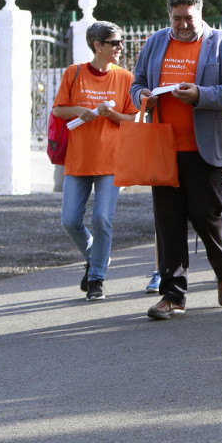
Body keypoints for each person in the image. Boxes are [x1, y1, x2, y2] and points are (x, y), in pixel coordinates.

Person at [131, 0, 222, 320]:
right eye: (177, 18)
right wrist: (142, 96)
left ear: (200, 13)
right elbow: (137, 81)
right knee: (167, 222)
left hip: (205, 147)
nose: (182, 24)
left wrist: (199, 94)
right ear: (169, 15)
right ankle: (173, 295)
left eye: (188, 18)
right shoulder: (156, 42)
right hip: (163, 147)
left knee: (204, 215)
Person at [51, 22, 139, 301]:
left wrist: (109, 114)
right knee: (69, 221)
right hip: (77, 160)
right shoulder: (73, 73)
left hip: (111, 161)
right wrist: (80, 110)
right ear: (97, 46)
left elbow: (133, 118)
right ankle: (96, 256)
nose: (120, 47)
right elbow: (58, 110)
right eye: (114, 42)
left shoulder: (125, 77)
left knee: (102, 218)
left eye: (121, 41)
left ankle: (97, 277)